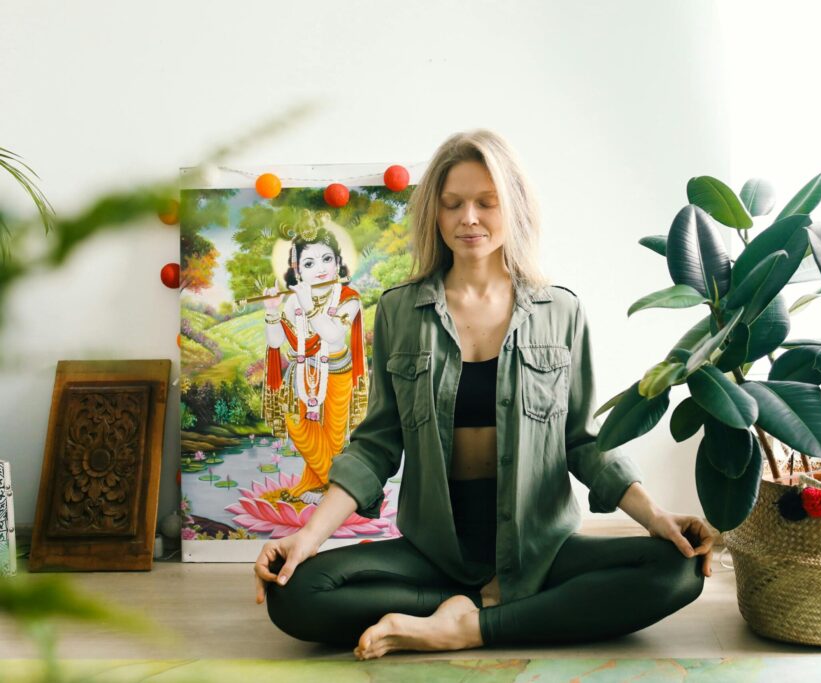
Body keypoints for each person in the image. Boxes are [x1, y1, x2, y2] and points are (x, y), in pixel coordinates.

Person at [254, 129, 713, 659]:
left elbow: (584, 440)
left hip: (539, 546)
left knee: (678, 570)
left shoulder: (559, 311)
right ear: (436, 214)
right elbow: (377, 445)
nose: (468, 218)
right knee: (294, 595)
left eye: (485, 203)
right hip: (435, 550)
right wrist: (306, 539)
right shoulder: (402, 311)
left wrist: (657, 518)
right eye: (453, 204)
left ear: (512, 207)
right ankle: (488, 606)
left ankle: (466, 627)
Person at [261, 229, 367, 502]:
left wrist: (310, 307)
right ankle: (338, 491)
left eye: (327, 259)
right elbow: (275, 344)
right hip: (301, 374)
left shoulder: (348, 297)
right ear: (298, 273)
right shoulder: (292, 300)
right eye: (309, 263)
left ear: (338, 262)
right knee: (297, 427)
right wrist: (272, 310)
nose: (320, 269)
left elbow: (332, 335)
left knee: (333, 438)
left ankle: (321, 488)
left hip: (338, 371)